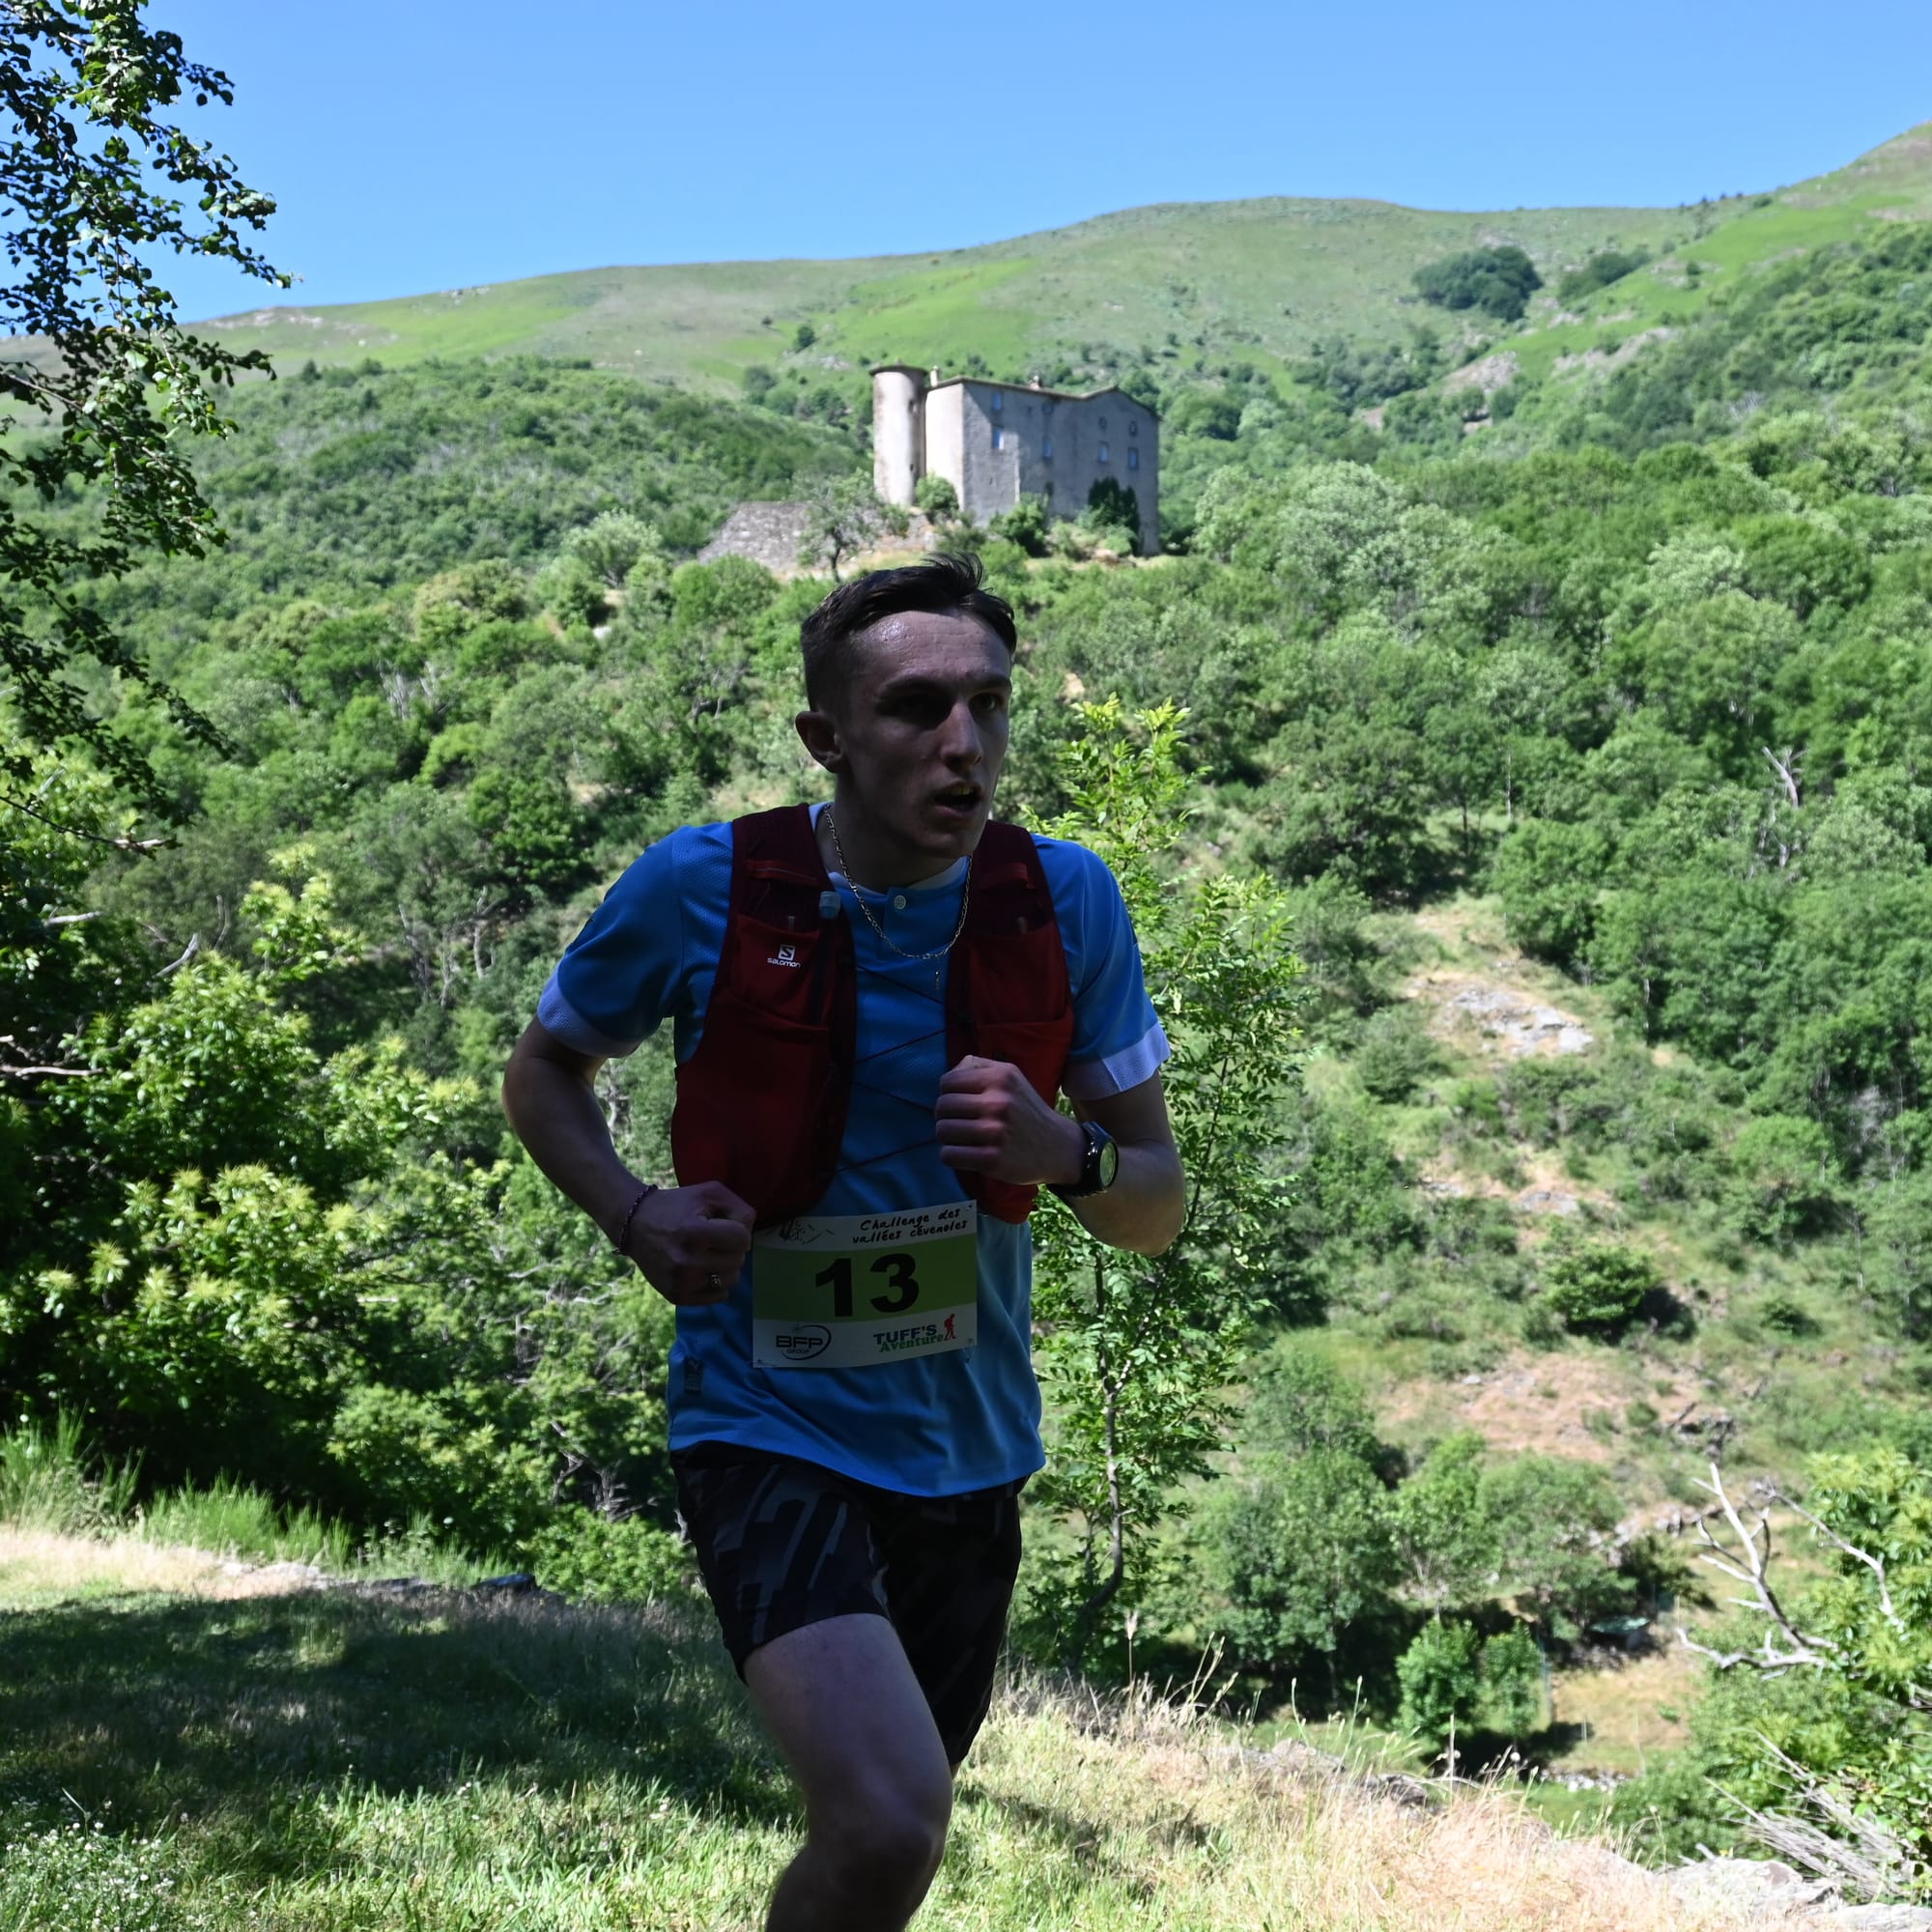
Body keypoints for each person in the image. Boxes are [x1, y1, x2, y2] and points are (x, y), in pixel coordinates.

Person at [501, 552, 1185, 1932]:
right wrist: (634, 1213)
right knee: (884, 1817)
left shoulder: (1065, 901)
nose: (963, 743)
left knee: (891, 1851)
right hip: (764, 1421)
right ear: (827, 738)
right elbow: (544, 1071)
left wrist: (1067, 1154)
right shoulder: (700, 887)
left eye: (989, 704)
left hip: (968, 1448)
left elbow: (1156, 1210)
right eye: (916, 708)